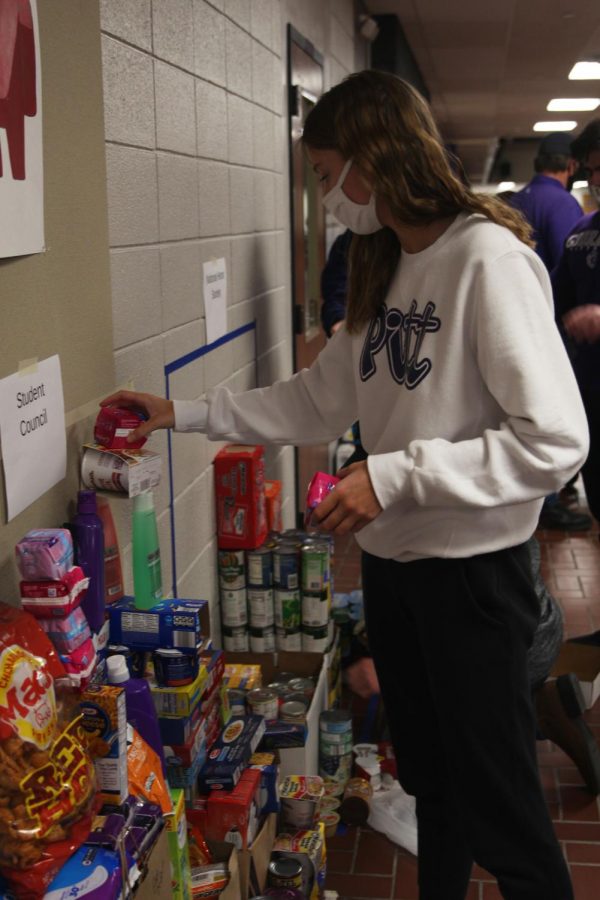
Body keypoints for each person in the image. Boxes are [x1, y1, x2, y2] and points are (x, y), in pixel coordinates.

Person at [102, 71, 589, 899]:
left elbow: (556, 441)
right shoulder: (384, 261)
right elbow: (315, 398)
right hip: (400, 578)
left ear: (376, 156)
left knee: (503, 813)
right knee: (434, 787)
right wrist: (178, 412)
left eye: (329, 176)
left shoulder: (486, 258)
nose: (328, 198)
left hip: (473, 584)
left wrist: (394, 476)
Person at [509, 132, 591, 531]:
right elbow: (562, 278)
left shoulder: (518, 200)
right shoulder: (567, 209)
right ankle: (548, 500)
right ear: (571, 167)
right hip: (558, 343)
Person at [552, 119, 600, 529]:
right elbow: (551, 305)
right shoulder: (580, 234)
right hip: (588, 399)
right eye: (592, 169)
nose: (596, 179)